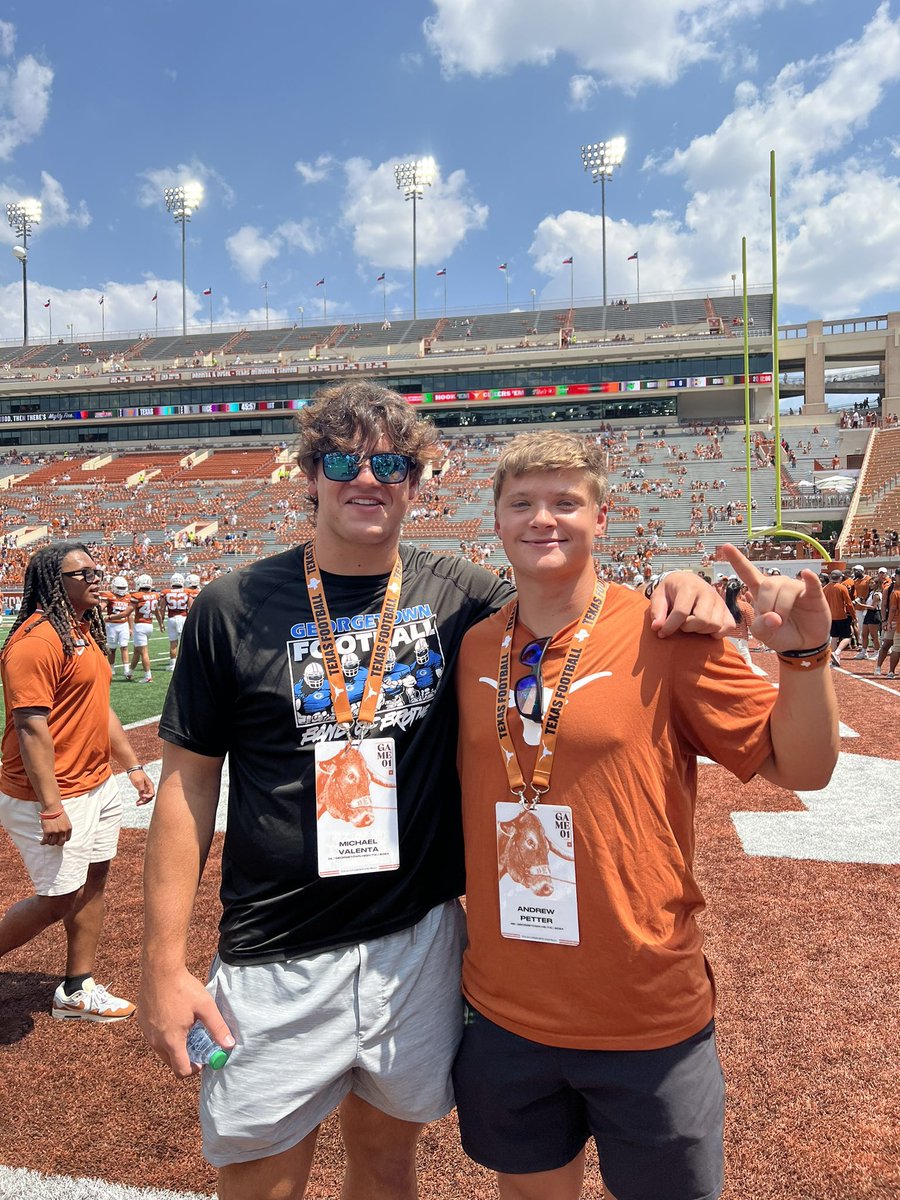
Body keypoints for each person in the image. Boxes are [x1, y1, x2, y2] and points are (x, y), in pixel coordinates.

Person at [138, 382, 735, 1200]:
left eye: (390, 462)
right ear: (307, 473)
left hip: (415, 945)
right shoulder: (230, 606)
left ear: (417, 481)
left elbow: (570, 597)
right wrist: (162, 966)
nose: (367, 478)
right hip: (275, 950)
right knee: (261, 1183)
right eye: (343, 459)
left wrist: (682, 580)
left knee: (388, 1165)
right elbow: (186, 789)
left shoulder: (461, 595)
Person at [452, 432, 839, 1200]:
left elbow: (805, 767)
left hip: (644, 1011)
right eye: (522, 503)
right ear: (495, 521)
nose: (543, 519)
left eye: (566, 502)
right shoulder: (472, 648)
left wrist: (804, 657)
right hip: (507, 1008)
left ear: (604, 516)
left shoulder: (668, 633)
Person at [0, 543, 154, 1020]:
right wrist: (51, 805)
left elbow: (98, 706)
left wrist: (130, 766)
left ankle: (76, 988)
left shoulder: (82, 631)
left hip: (95, 783)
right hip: (50, 792)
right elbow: (30, 727)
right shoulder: (37, 641)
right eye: (81, 572)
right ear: (53, 582)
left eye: (96, 568)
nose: (94, 578)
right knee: (59, 897)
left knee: (94, 878)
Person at [129, 573, 163, 683]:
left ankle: (148, 676)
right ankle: (130, 672)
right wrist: (161, 623)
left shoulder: (137, 595)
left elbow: (129, 611)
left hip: (140, 625)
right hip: (149, 625)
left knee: (143, 652)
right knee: (137, 651)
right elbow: (157, 612)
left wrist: (114, 616)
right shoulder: (154, 595)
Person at [101, 573, 135, 679]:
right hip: (112, 625)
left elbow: (128, 614)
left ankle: (126, 670)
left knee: (124, 646)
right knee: (112, 648)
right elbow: (101, 607)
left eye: (123, 588)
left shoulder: (128, 597)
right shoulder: (109, 596)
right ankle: (111, 668)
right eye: (120, 587)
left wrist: (130, 627)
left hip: (123, 624)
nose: (122, 590)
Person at [158, 571, 191, 671]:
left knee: (173, 643)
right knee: (185, 642)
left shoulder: (166, 592)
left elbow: (162, 609)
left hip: (172, 618)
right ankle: (186, 663)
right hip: (183, 617)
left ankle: (173, 665)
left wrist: (161, 622)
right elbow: (191, 608)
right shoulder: (187, 592)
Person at [823, 568, 855, 668]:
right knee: (847, 637)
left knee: (834, 637)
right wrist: (853, 615)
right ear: (840, 577)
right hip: (841, 615)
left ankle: (834, 658)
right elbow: (849, 603)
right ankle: (837, 652)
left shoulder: (825, 588)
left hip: (830, 616)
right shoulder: (841, 587)